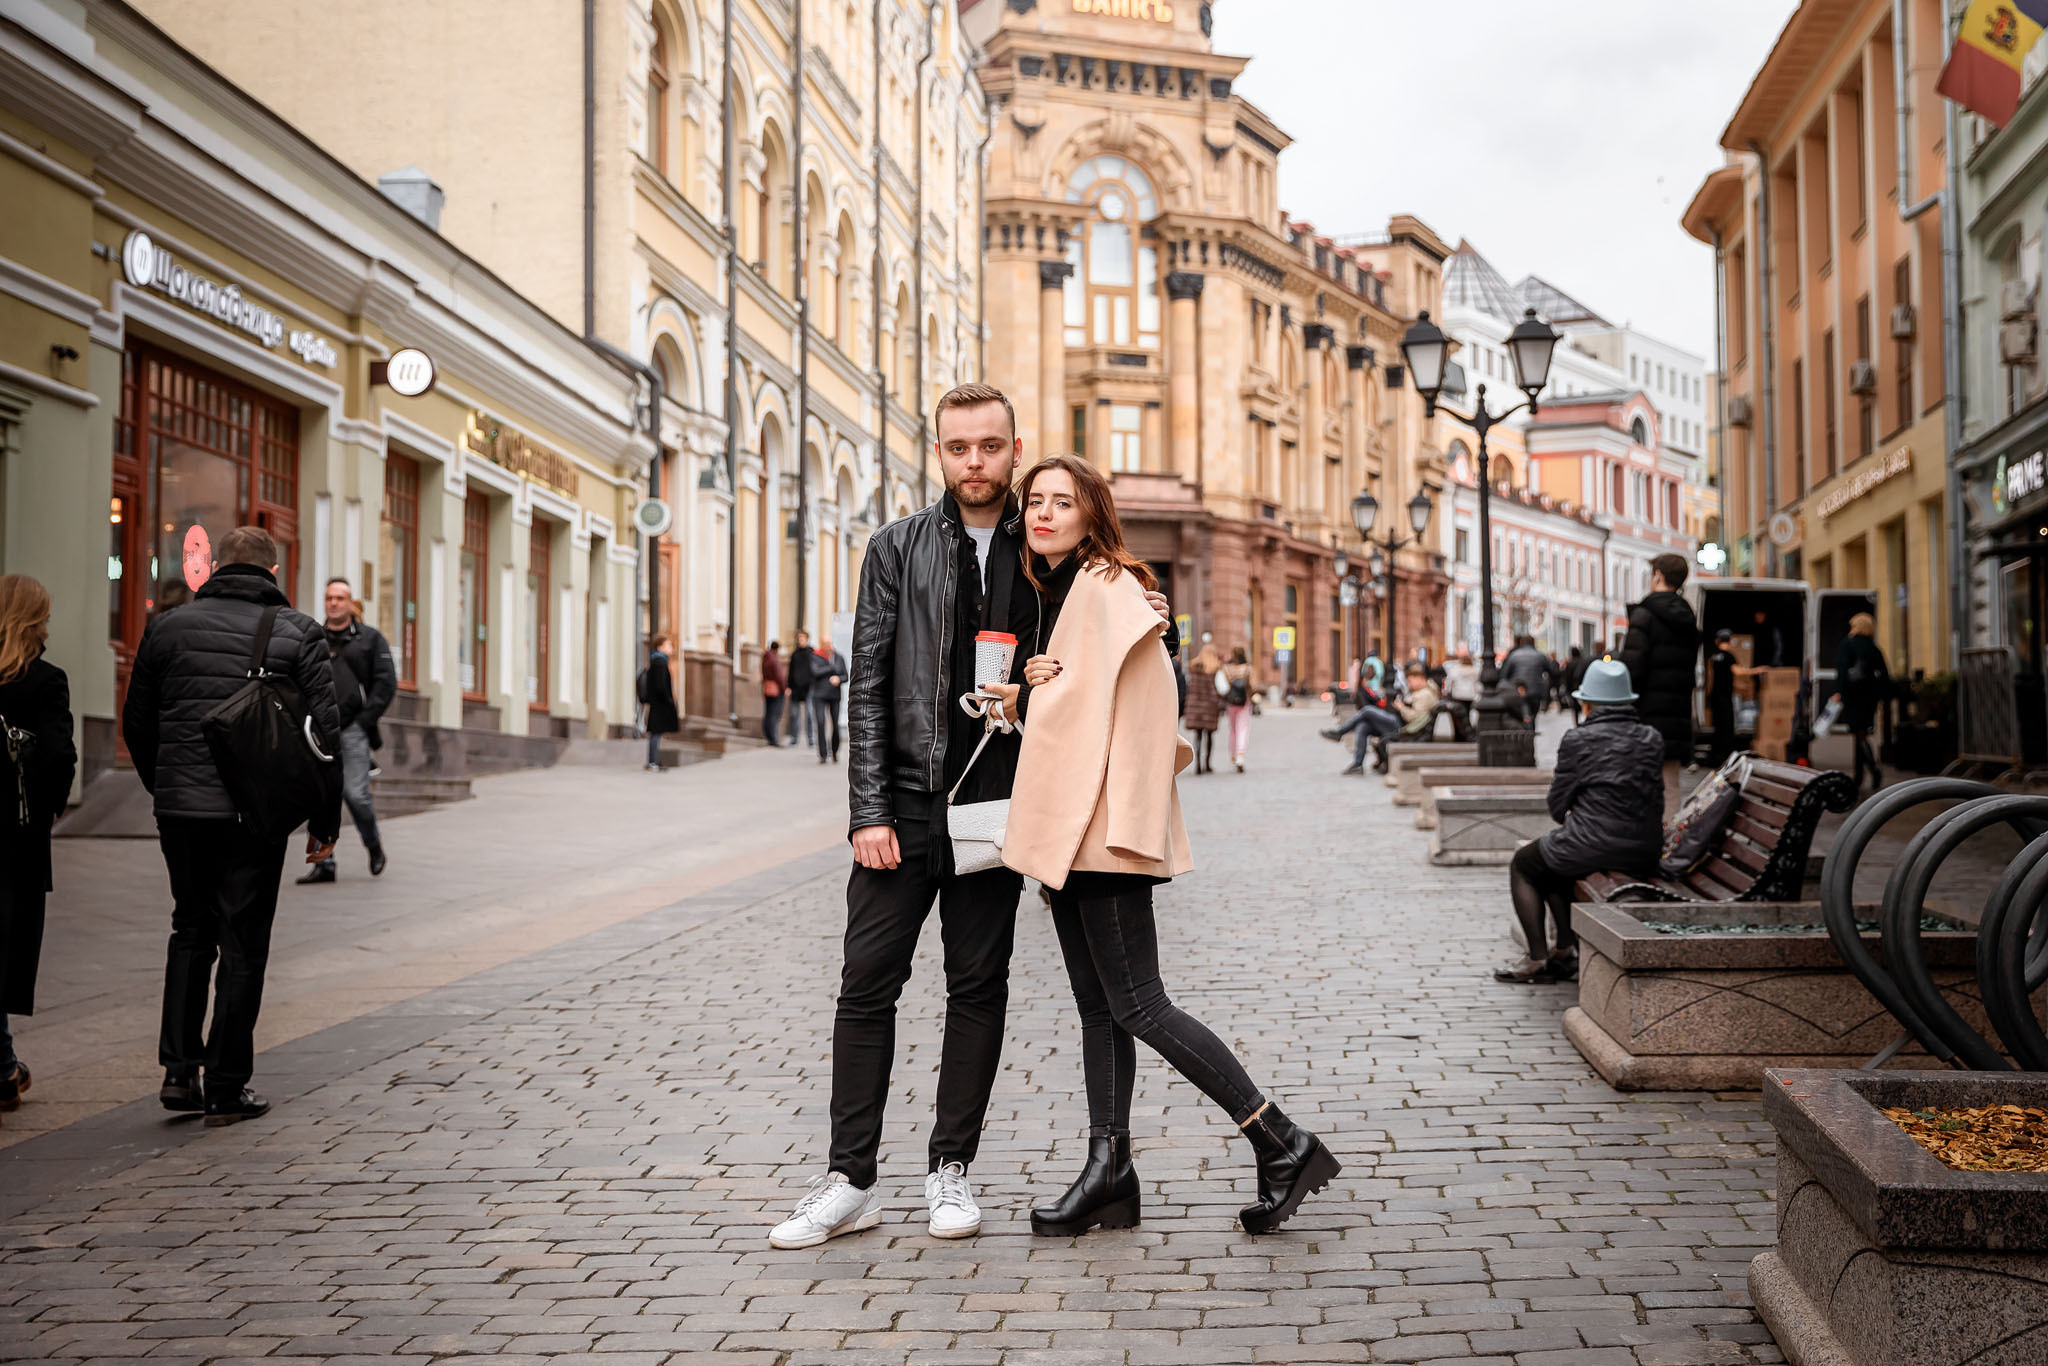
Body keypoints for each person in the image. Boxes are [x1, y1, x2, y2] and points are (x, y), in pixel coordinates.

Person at [768, 383, 1170, 1250]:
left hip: (997, 809)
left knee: (976, 987)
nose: (975, 463)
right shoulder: (896, 547)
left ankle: (951, 1171)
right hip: (906, 807)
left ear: (1014, 446)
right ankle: (849, 1179)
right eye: (959, 448)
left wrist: (1148, 612)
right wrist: (868, 809)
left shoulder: (1044, 555)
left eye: (991, 447)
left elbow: (1110, 618)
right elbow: (867, 687)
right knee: (867, 986)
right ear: (939, 452)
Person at [986, 454, 1341, 1236]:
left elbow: (1119, 714)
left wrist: (1021, 694)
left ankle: (1282, 1141)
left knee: (1141, 1004)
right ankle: (1110, 1169)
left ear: (1092, 515)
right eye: (1034, 501)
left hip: (1103, 830)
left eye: (1062, 502)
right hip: (1076, 829)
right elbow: (1081, 699)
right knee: (1099, 1008)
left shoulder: (1110, 587)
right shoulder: (1065, 590)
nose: (1044, 513)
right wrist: (1033, 681)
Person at [122, 526, 341, 1126]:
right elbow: (324, 735)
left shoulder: (166, 628)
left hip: (181, 811)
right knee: (244, 945)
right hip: (254, 815)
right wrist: (324, 823)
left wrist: (164, 784)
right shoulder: (298, 632)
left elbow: (137, 722)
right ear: (274, 571)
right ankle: (224, 1085)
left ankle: (177, 1071)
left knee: (190, 929)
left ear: (216, 566)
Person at [1494, 658, 1664, 984]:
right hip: (1644, 848)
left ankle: (1537, 958)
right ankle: (1563, 952)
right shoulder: (1651, 738)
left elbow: (1557, 806)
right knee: (1557, 862)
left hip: (1593, 843)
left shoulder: (1579, 740)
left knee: (1524, 864)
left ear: (1587, 703)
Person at [0, 575, 77, 1122]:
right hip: (15, 835)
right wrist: (50, 808)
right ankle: (2, 1067)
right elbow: (57, 757)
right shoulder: (45, 681)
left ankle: (3, 1063)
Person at [297, 579, 395, 884]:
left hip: (353, 729)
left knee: (355, 794)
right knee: (319, 797)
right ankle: (325, 864)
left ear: (351, 603)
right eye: (329, 598)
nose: (334, 603)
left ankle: (374, 846)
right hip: (317, 730)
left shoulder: (370, 639)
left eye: (340, 598)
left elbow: (386, 683)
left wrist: (365, 721)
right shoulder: (313, 637)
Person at [1619, 553, 1702, 811]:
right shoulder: (1688, 617)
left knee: (1639, 784)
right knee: (1670, 785)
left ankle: (1645, 844)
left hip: (1645, 717)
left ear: (1658, 576)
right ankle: (1670, 846)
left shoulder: (1644, 615)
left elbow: (1631, 670)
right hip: (1676, 717)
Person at [1832, 612, 1890, 792]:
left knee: (1859, 734)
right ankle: (1858, 776)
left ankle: (1873, 769)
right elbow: (1884, 674)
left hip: (1853, 695)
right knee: (1860, 733)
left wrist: (1839, 691)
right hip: (1869, 697)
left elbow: (1842, 669)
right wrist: (1880, 695)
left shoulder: (1847, 644)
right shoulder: (1873, 647)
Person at [640, 635, 680, 771]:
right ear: (660, 647)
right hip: (660, 704)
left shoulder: (657, 661)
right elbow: (660, 685)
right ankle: (652, 762)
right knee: (656, 733)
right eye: (668, 645)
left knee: (656, 732)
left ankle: (654, 761)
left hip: (657, 703)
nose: (671, 648)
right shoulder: (659, 663)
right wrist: (668, 699)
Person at [1183, 636, 1222, 774]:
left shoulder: (1194, 667)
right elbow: (1220, 687)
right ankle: (1207, 764)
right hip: (1209, 706)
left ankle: (1198, 765)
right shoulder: (1215, 668)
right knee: (1209, 735)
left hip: (1196, 707)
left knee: (1198, 735)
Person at [809, 636, 847, 764]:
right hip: (819, 694)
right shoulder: (815, 656)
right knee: (820, 722)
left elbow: (845, 676)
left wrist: (839, 679)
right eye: (825, 644)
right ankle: (823, 754)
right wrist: (831, 668)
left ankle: (835, 751)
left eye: (829, 643)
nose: (828, 646)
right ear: (821, 645)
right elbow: (815, 672)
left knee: (835, 724)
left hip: (834, 695)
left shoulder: (838, 657)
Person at [1500, 635, 1554, 724]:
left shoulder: (1514, 655)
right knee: (1532, 716)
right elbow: (1552, 671)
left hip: (1518, 690)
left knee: (1521, 715)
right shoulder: (1540, 655)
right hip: (1536, 691)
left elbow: (1504, 674)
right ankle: (1530, 730)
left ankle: (1525, 729)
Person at [1706, 629, 1738, 767]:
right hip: (1725, 697)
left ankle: (1714, 757)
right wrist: (1757, 670)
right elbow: (1737, 671)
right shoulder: (1729, 656)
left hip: (1715, 697)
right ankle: (1725, 758)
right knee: (1727, 728)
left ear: (1717, 641)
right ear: (1729, 641)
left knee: (1717, 728)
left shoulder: (1713, 657)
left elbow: (1709, 678)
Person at [1221, 646, 1253, 772]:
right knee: (1243, 729)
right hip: (1244, 703)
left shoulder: (1226, 668)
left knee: (1233, 730)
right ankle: (1240, 755)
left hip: (1231, 702)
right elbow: (1253, 685)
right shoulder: (1248, 668)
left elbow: (1222, 685)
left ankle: (1233, 756)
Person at [785, 629, 818, 749]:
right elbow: (790, 671)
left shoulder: (812, 653)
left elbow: (816, 670)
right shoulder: (794, 654)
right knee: (794, 714)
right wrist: (788, 686)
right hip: (795, 688)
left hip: (809, 687)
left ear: (807, 639)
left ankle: (811, 739)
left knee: (809, 713)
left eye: (803, 638)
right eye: (799, 639)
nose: (801, 641)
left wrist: (814, 684)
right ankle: (794, 738)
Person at [760, 640, 785, 747]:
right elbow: (778, 676)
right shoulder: (774, 659)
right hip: (776, 690)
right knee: (775, 714)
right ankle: (773, 738)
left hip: (767, 687)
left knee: (768, 712)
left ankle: (769, 736)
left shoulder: (765, 657)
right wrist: (784, 688)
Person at [1560, 645, 1588, 724]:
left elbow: (1566, 677)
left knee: (1575, 707)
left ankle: (1576, 722)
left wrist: (1567, 688)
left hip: (1573, 687)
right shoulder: (1583, 662)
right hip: (1583, 686)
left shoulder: (1570, 663)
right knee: (1584, 705)